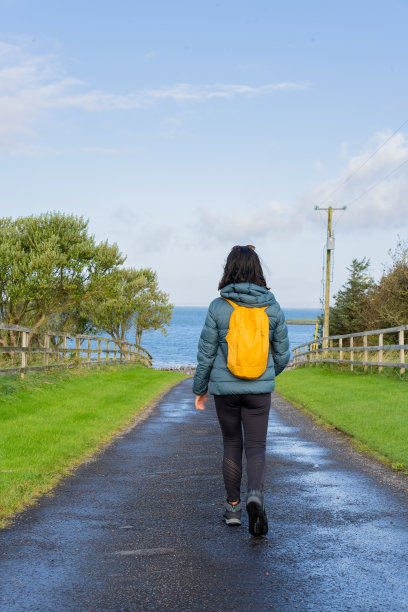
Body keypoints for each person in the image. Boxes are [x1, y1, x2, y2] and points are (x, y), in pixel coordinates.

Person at [193, 245, 290, 536]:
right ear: (258, 270)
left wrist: (200, 388)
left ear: (229, 269)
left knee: (232, 444)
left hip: (226, 392)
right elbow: (283, 356)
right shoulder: (272, 308)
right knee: (257, 446)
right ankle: (255, 496)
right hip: (259, 392)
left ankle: (233, 508)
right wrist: (267, 375)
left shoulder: (218, 307)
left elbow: (206, 354)